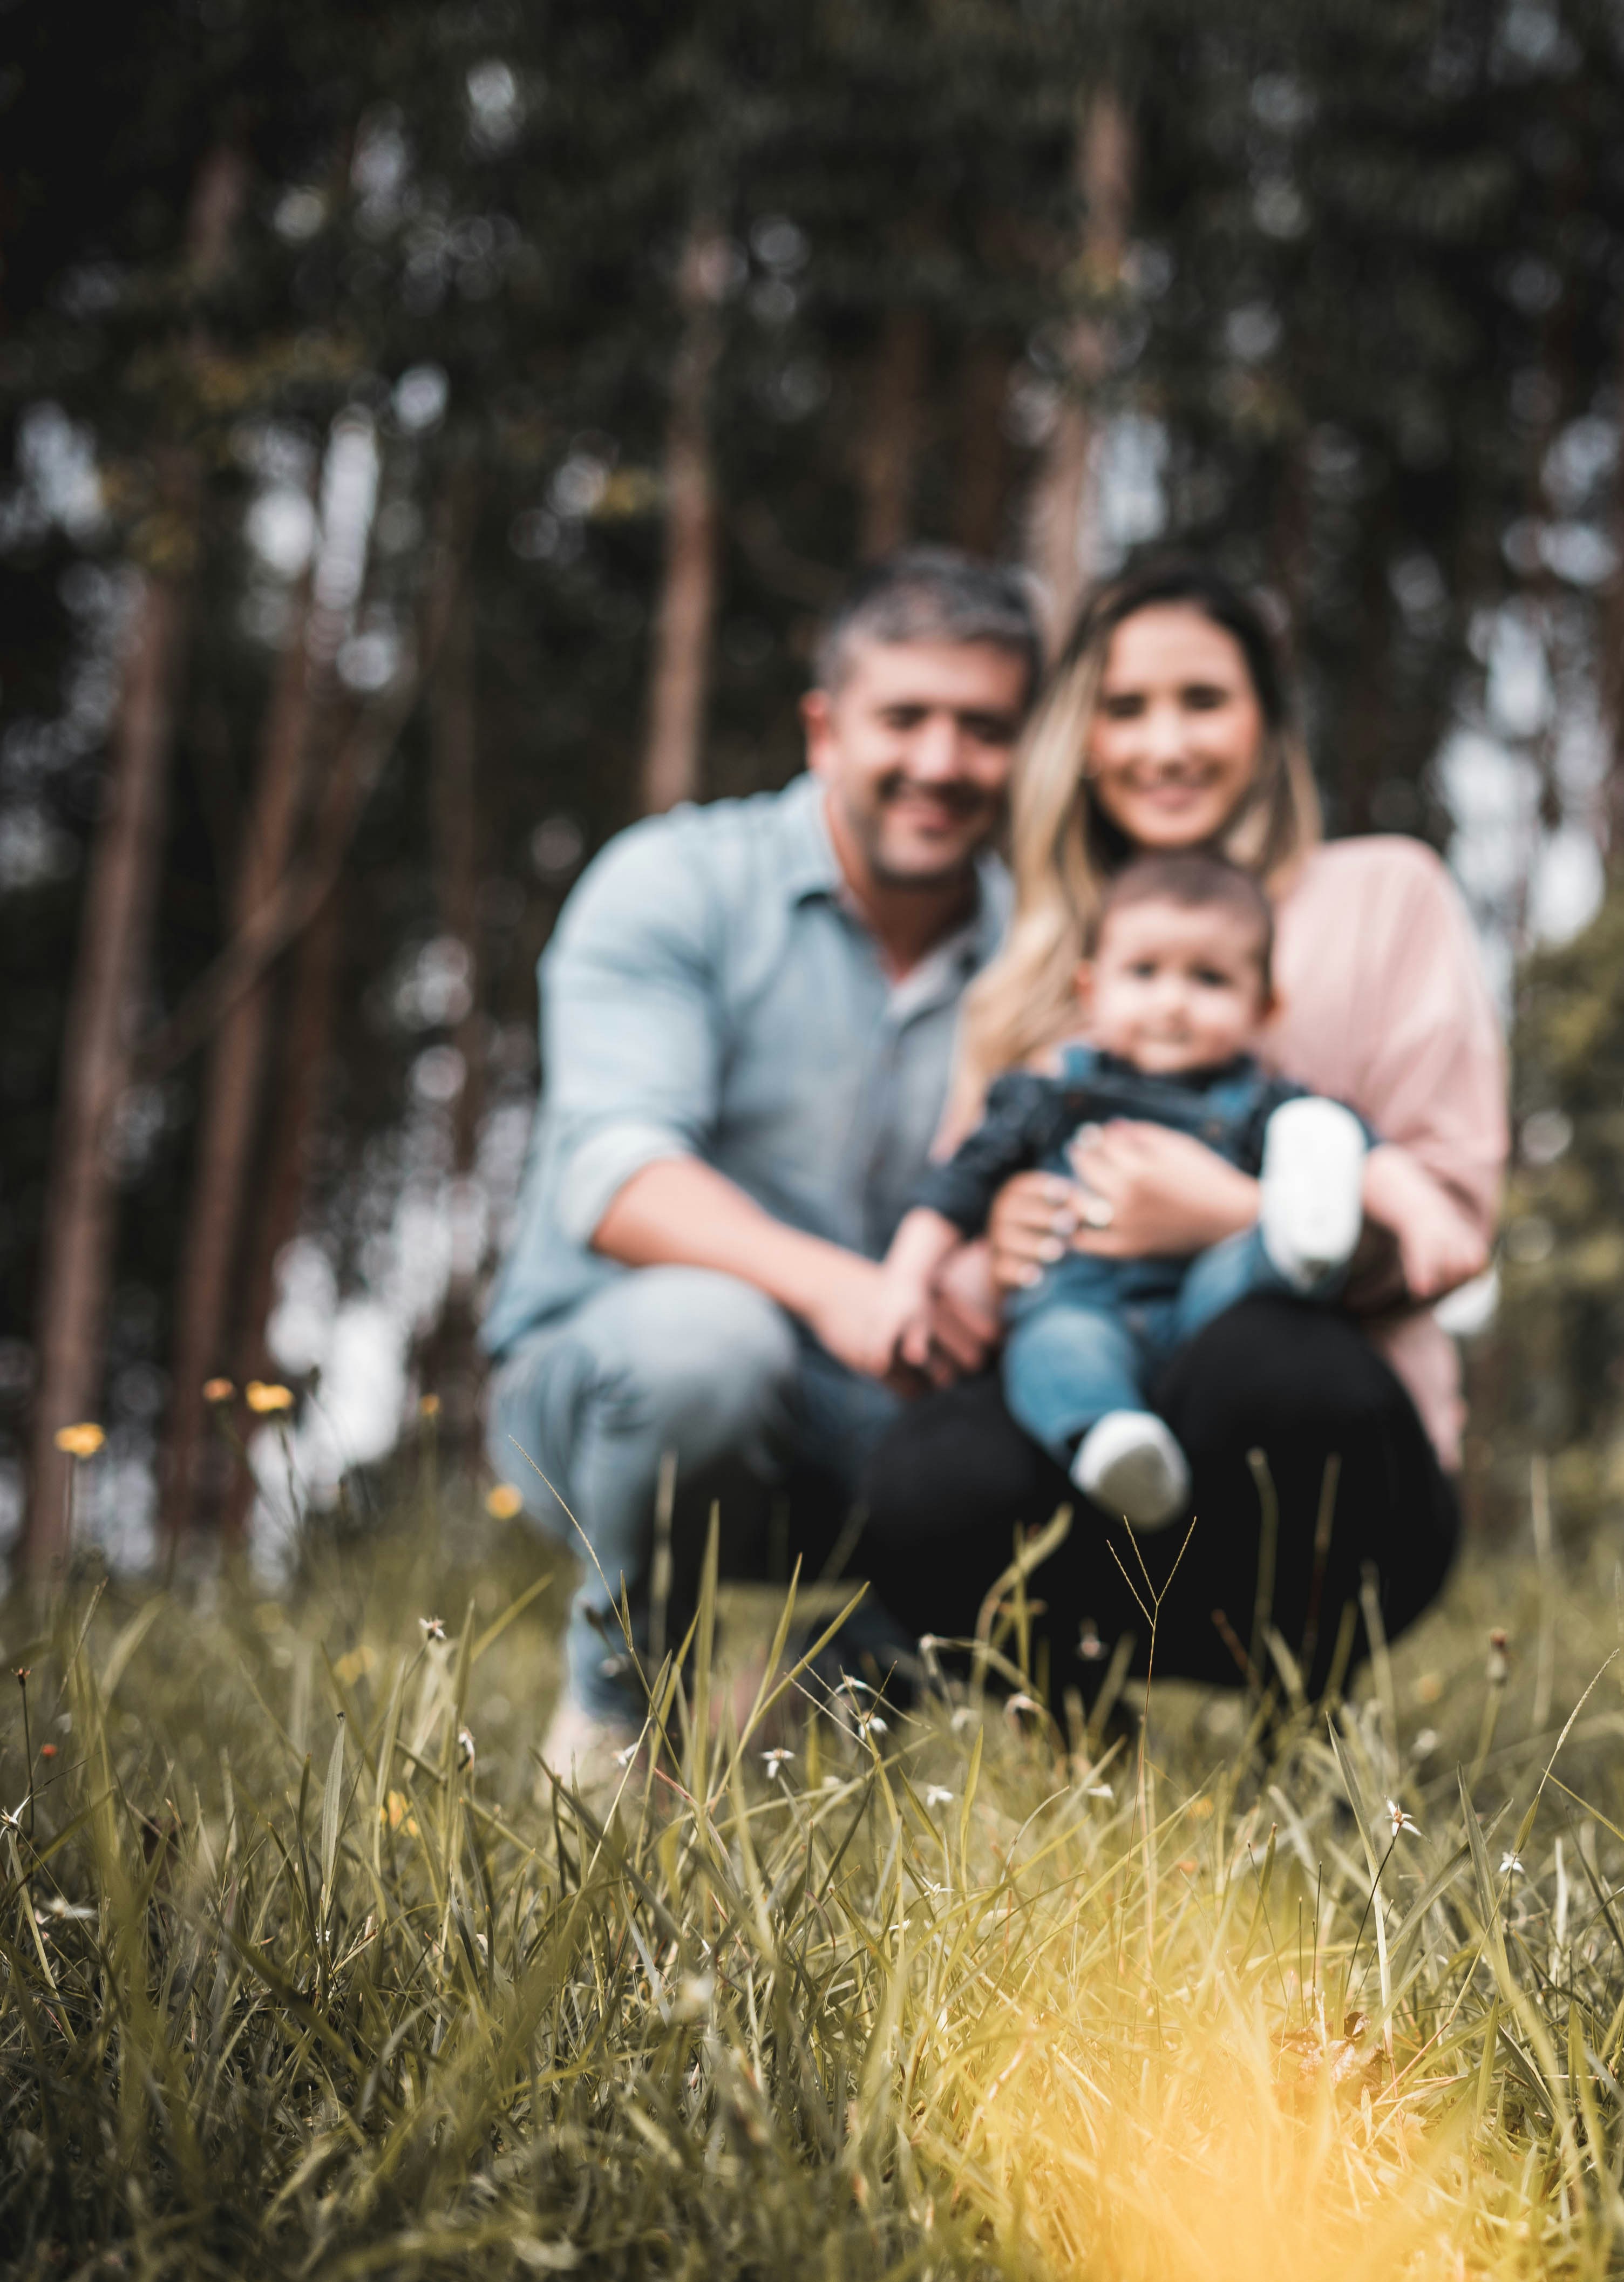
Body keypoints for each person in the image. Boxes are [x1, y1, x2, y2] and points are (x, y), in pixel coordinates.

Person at [857, 554, 1510, 1703]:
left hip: (1319, 1469)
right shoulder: (1039, 967)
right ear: (1082, 737)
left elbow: (1449, 1228)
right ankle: (1077, 1757)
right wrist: (999, 1247)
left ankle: (1300, 1739)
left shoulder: (1383, 897)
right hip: (1096, 1438)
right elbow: (957, 1250)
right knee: (927, 1474)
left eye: (1201, 701)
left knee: (1266, 1363)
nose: (1164, 745)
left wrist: (1234, 1214)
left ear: (1265, 722)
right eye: (1125, 708)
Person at [481, 547, 1040, 1769]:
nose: (940, 763)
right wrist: (838, 1288)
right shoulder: (672, 881)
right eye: (905, 719)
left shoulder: (1046, 954)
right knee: (709, 1345)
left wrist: (990, 1274)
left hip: (882, 1413)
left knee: (1064, 1411)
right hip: (618, 1388)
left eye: (983, 729)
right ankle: (617, 1738)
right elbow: (618, 1182)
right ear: (824, 729)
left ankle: (800, 1739)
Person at [881, 848, 1444, 1531]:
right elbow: (960, 1184)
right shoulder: (1050, 1092)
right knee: (1053, 1352)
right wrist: (906, 1279)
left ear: (1263, 1007)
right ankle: (1114, 1444)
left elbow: (1365, 1154)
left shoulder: (1264, 1101)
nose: (1171, 1002)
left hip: (1205, 1304)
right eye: (1143, 974)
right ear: (1091, 991)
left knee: (1264, 1265)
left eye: (1208, 979)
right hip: (1081, 1300)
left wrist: (1419, 1213)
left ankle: (1297, 1242)